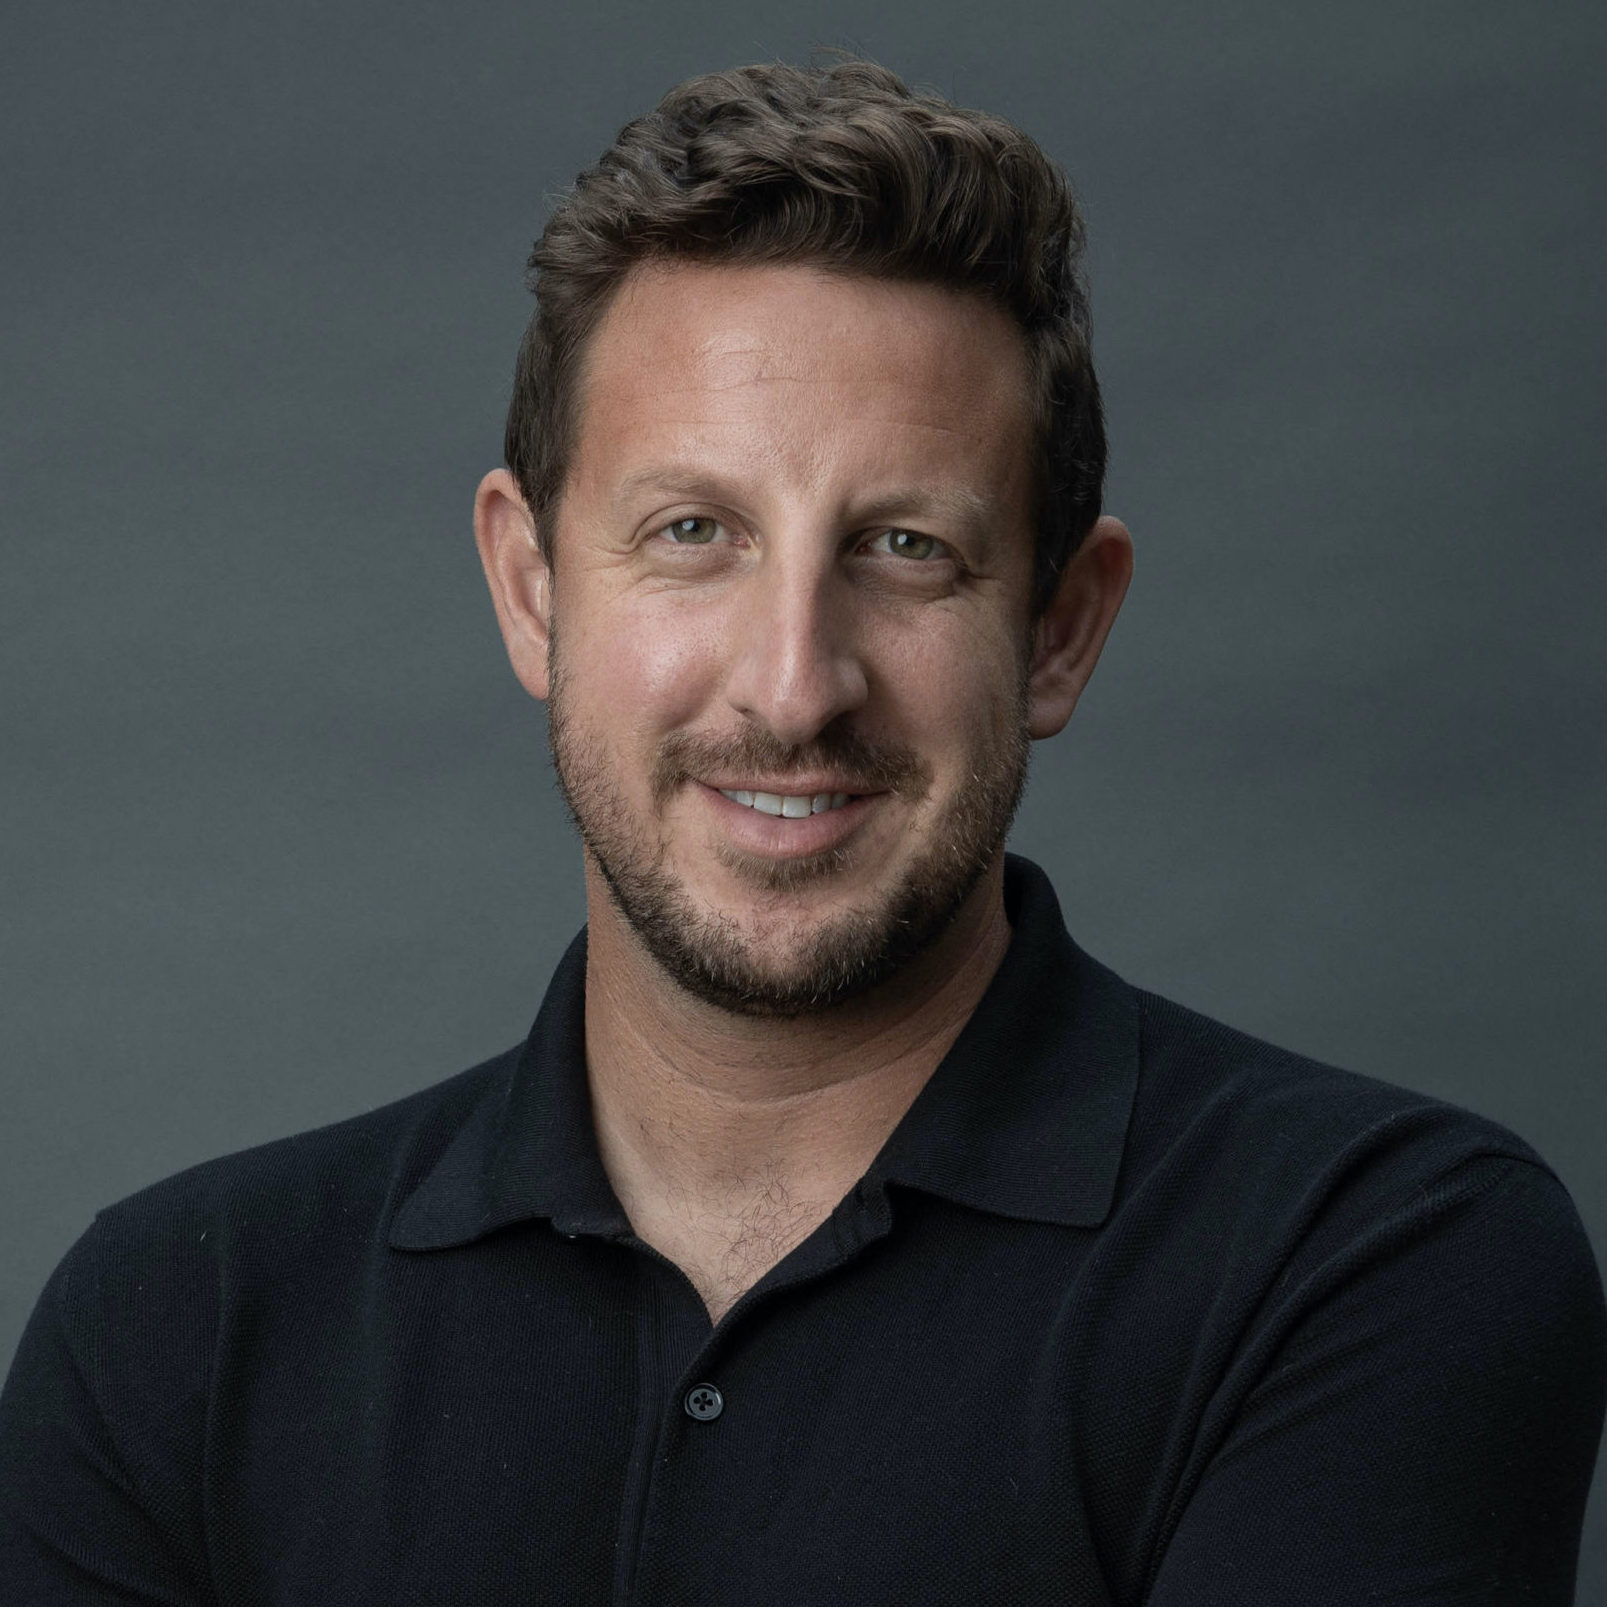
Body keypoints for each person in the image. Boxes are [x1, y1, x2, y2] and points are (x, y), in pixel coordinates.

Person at [2, 57, 1603, 1605]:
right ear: (530, 587)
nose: (793, 686)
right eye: (694, 533)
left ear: (1058, 626)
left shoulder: (1371, 1257)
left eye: (906, 549)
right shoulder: (177, 1325)